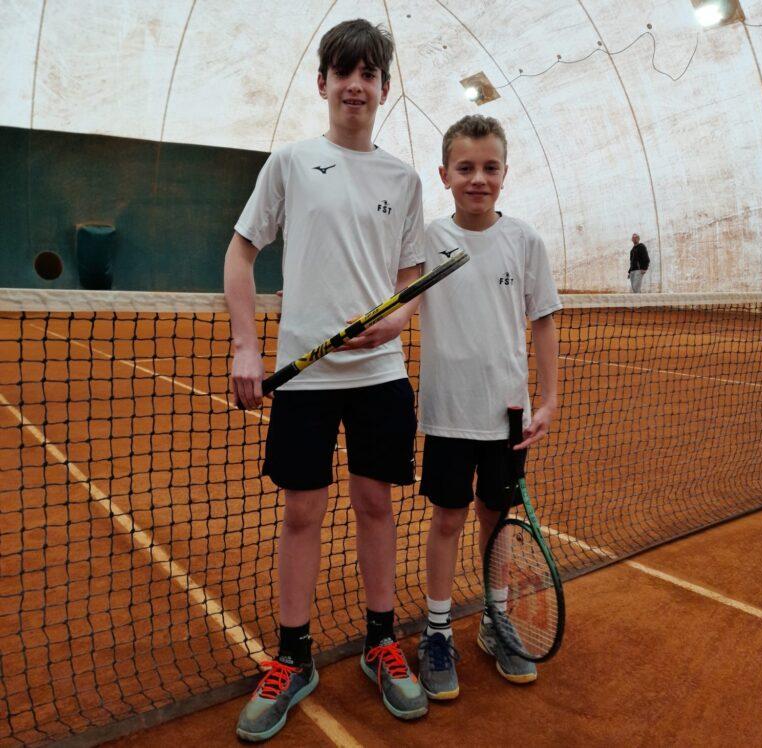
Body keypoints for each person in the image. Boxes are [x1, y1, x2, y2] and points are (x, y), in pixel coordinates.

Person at [224, 18, 428, 742]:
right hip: (305, 377)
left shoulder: (403, 180)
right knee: (301, 515)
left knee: (377, 506)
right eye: (343, 72)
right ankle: (293, 658)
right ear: (322, 83)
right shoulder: (290, 163)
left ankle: (381, 642)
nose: (355, 85)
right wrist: (247, 347)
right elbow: (241, 254)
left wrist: (398, 321)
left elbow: (410, 277)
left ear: (384, 88)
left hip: (379, 377)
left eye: (369, 74)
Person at [415, 115, 561, 700]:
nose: (479, 178)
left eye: (490, 168)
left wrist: (548, 398)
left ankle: (496, 622)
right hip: (448, 412)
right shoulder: (425, 241)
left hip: (507, 415)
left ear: (505, 172)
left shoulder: (524, 240)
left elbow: (543, 320)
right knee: (448, 520)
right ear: (445, 174)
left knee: (495, 522)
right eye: (466, 168)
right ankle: (437, 630)